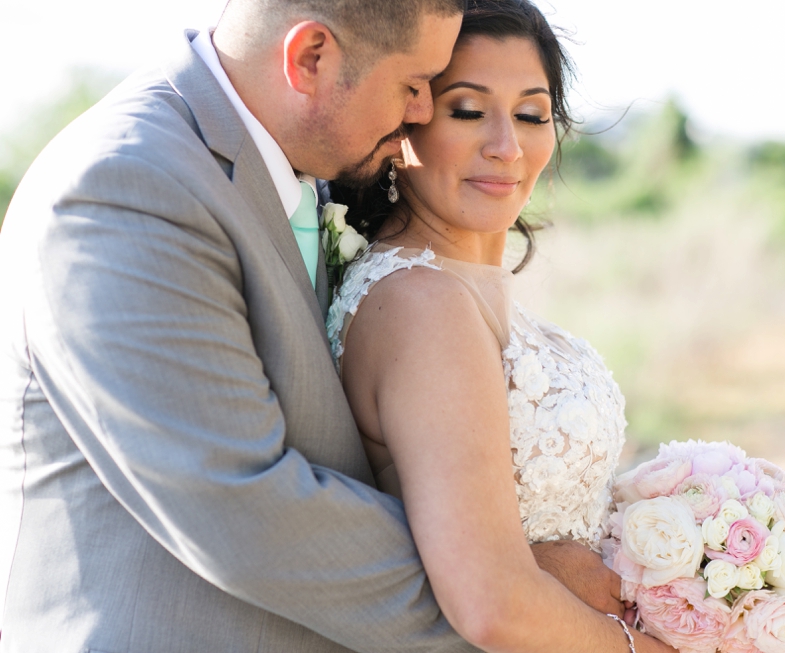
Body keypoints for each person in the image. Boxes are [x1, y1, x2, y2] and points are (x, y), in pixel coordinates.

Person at [0, 0, 613, 650]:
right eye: (412, 86)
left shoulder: (309, 172)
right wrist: (511, 587)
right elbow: (245, 510)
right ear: (310, 58)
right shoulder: (128, 187)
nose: (420, 112)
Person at [326, 1, 677, 652]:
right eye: (467, 110)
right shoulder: (421, 304)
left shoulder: (456, 287)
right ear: (404, 120)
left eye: (530, 114)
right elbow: (490, 601)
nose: (506, 147)